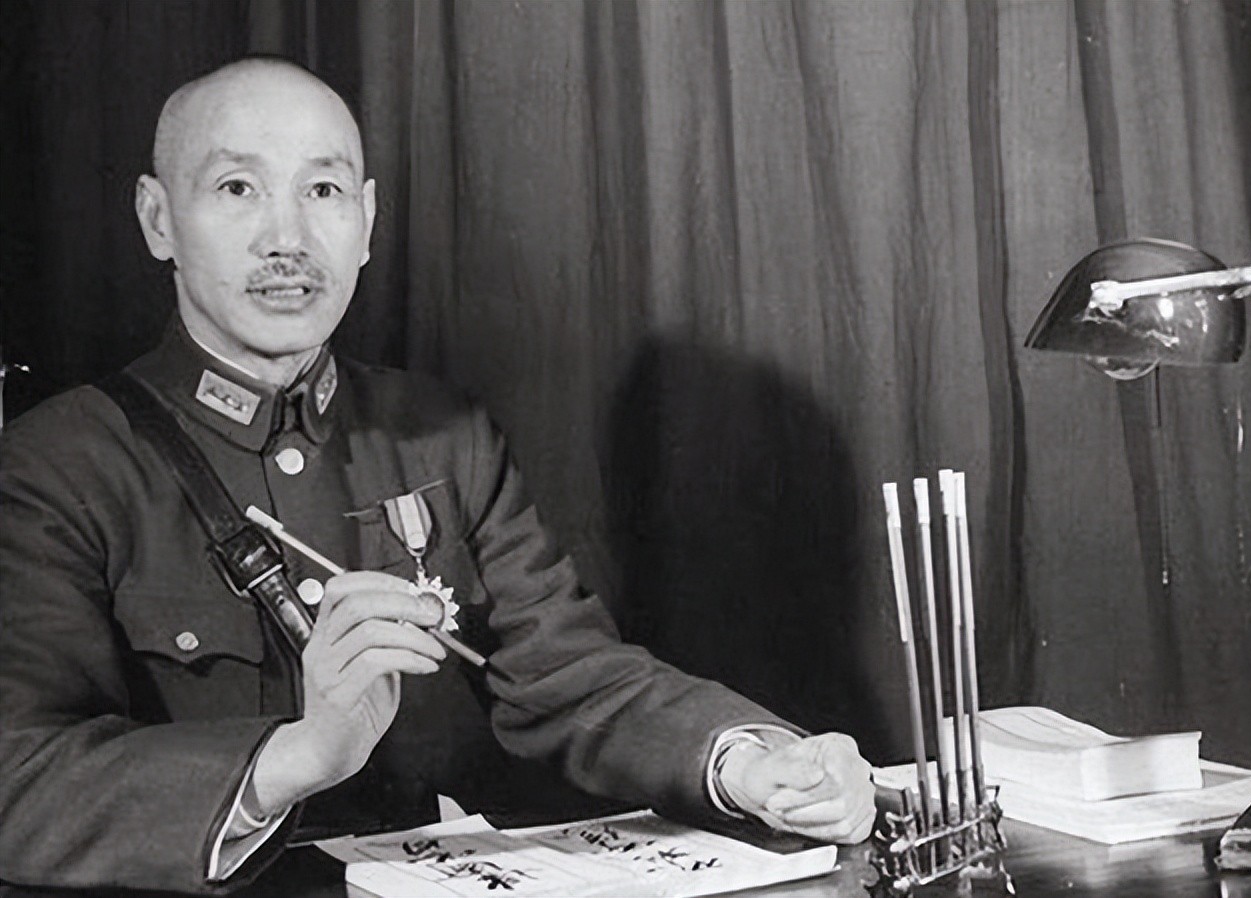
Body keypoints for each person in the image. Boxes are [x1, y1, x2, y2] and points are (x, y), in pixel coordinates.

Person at [0, 57, 876, 893]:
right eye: (237, 189)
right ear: (158, 220)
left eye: (323, 191)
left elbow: (565, 671)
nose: (287, 238)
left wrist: (750, 762)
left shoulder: (441, 436)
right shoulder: (56, 466)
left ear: (367, 220)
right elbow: (17, 776)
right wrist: (295, 759)